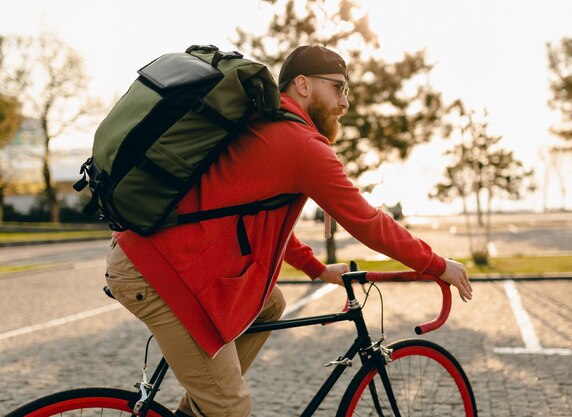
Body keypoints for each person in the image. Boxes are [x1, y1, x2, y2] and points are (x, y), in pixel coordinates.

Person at [105, 45, 472, 417]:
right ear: (303, 85)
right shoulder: (298, 143)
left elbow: (266, 224)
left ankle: (202, 406)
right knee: (231, 407)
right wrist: (437, 264)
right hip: (154, 270)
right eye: (339, 88)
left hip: (165, 260)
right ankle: (216, 403)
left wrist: (318, 270)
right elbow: (368, 221)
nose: (345, 102)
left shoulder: (271, 125)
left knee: (270, 303)